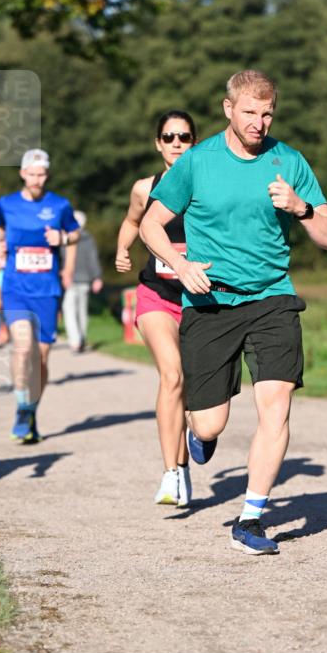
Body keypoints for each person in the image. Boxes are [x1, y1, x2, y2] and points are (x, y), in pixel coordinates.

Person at [141, 72, 327, 553]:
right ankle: (199, 435)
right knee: (209, 423)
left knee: (276, 405)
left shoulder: (288, 161)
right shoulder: (196, 162)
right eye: (250, 111)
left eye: (267, 112)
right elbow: (151, 224)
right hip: (210, 301)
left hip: (272, 296)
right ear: (228, 108)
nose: (259, 121)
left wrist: (301, 208)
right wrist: (180, 264)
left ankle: (251, 520)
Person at [115, 111, 198, 507]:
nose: (177, 142)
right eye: (169, 137)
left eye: (184, 136)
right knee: (172, 374)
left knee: (196, 394)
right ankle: (170, 474)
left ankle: (187, 458)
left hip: (201, 303)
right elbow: (133, 221)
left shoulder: (208, 187)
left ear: (194, 142)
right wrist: (121, 250)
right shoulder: (144, 188)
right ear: (158, 143)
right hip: (156, 296)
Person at [0, 148, 80, 442]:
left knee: (41, 359)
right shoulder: (5, 204)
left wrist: (63, 240)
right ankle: (21, 403)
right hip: (16, 288)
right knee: (22, 347)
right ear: (22, 173)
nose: (37, 179)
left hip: (47, 290)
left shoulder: (60, 205)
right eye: (31, 173)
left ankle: (30, 412)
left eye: (42, 174)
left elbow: (75, 233)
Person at [62, 210, 103, 354]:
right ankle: (81, 339)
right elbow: (93, 259)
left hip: (73, 279)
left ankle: (76, 341)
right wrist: (97, 277)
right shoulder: (88, 238)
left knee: (70, 310)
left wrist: (97, 277)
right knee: (81, 312)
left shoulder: (67, 238)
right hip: (84, 280)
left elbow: (63, 258)